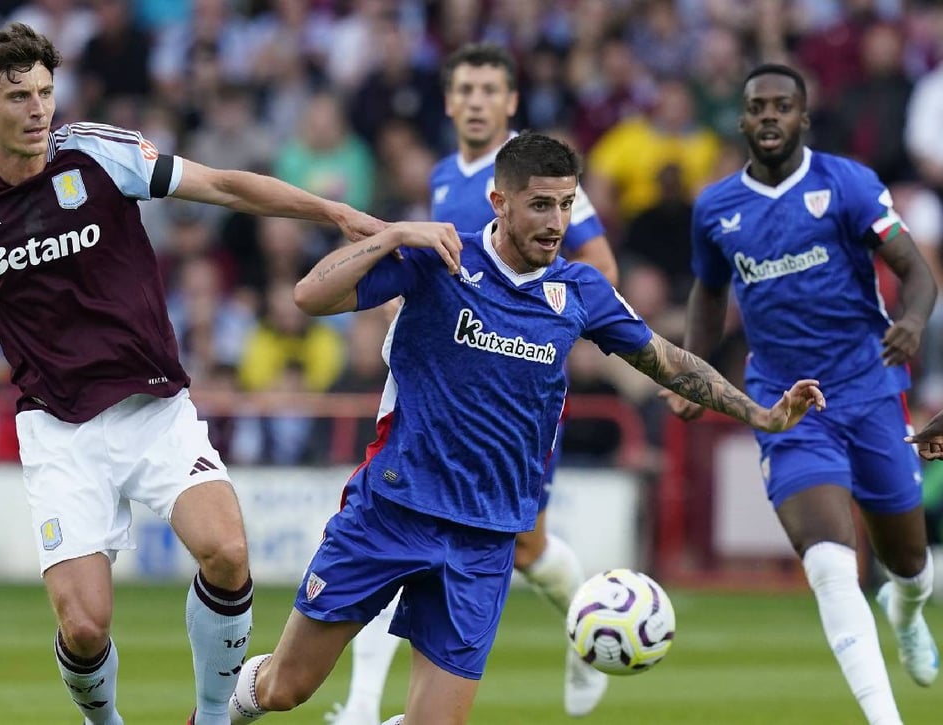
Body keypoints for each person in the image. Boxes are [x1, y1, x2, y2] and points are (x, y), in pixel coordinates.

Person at [0, 23, 383, 725]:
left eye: (44, 92)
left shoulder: (99, 153)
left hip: (152, 406)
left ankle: (214, 715)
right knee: (86, 626)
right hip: (59, 428)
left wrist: (327, 209)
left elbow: (220, 184)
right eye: (18, 96)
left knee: (226, 550)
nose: (38, 109)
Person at [228, 132, 825, 725]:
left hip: (487, 539)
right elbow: (309, 296)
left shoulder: (580, 290)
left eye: (566, 205)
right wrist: (396, 234)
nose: (556, 221)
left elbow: (668, 360)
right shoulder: (442, 259)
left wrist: (762, 414)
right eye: (541, 204)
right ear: (500, 202)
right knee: (287, 688)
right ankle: (221, 709)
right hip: (393, 509)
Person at [330, 43, 618, 725]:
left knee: (526, 546)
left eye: (493, 88)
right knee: (398, 521)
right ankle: (365, 703)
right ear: (451, 101)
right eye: (468, 88)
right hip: (442, 385)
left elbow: (598, 264)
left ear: (511, 101)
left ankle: (590, 629)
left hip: (516, 391)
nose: (481, 100)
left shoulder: (537, 173)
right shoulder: (443, 175)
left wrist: (544, 328)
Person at [667, 64, 939, 725]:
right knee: (827, 560)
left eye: (781, 106)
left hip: (870, 387)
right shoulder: (716, 208)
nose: (768, 116)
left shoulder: (846, 185)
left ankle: (907, 611)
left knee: (907, 560)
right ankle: (885, 717)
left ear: (802, 117)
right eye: (757, 106)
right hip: (787, 401)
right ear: (741, 119)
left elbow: (917, 271)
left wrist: (908, 322)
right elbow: (709, 291)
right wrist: (694, 373)